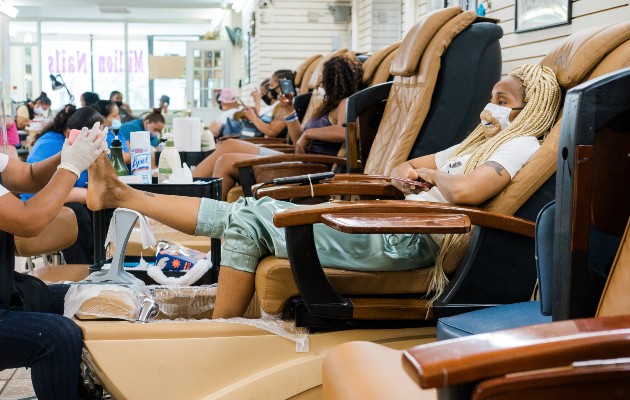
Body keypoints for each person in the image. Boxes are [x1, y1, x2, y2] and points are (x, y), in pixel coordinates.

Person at [87, 64, 561, 319]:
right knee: (255, 215)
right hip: (392, 222)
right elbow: (412, 163)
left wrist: (434, 180)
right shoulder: (477, 141)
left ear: (530, 111)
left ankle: (125, 198)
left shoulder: (521, 143)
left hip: (411, 238)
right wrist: (404, 175)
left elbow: (471, 191)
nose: (490, 106)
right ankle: (223, 330)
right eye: (492, 96)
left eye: (503, 101)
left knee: (257, 215)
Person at [0, 123, 108, 400]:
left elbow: (30, 174)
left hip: (5, 287)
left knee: (91, 297)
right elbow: (29, 221)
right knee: (57, 336)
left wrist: (69, 154)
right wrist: (72, 167)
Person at [192, 58, 363, 199]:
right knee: (229, 144)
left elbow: (345, 133)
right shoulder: (327, 106)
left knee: (226, 161)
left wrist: (309, 133)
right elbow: (298, 140)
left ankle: (204, 212)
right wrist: (289, 110)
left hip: (311, 168)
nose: (319, 82)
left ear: (334, 80)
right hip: (300, 159)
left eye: (324, 78)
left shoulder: (345, 103)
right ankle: (188, 187)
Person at [21, 105, 104, 264]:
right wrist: (89, 194)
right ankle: (83, 267)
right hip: (38, 203)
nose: (98, 139)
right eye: (93, 134)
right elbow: (45, 191)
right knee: (78, 212)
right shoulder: (51, 145)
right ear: (70, 133)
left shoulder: (83, 146)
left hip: (67, 197)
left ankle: (101, 259)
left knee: (104, 210)